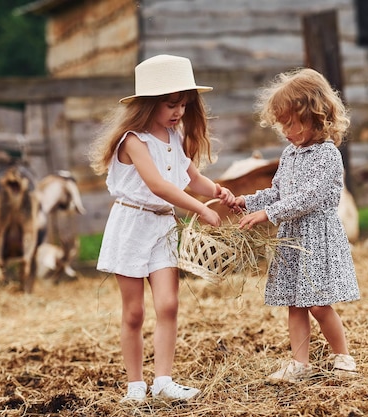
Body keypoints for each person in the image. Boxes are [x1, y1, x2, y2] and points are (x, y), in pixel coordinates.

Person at [88, 54, 235, 402]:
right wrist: (200, 208)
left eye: (183, 105)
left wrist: (218, 193)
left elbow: (189, 177)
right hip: (131, 225)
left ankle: (164, 381)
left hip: (162, 227)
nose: (178, 112)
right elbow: (158, 185)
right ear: (148, 104)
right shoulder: (133, 141)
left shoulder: (174, 136)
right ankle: (136, 385)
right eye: (171, 105)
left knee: (168, 305)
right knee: (135, 311)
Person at [233, 68, 360, 383]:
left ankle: (342, 355)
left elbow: (309, 197)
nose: (286, 131)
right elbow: (278, 191)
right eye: (282, 124)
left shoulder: (327, 155)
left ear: (316, 116)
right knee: (294, 302)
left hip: (316, 237)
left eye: (291, 122)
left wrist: (268, 214)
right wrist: (248, 202)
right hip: (292, 238)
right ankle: (299, 363)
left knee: (317, 303)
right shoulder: (290, 154)